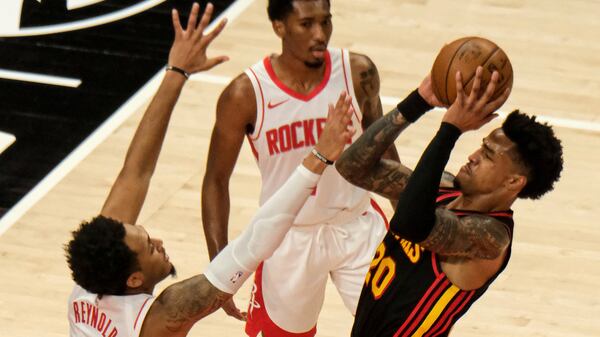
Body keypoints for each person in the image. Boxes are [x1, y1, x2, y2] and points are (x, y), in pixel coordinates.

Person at [65, 3, 356, 337]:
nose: (157, 241)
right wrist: (318, 157)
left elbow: (136, 171)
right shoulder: (163, 316)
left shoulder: (91, 279)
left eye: (146, 234)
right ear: (134, 279)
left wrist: (176, 72)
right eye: (148, 247)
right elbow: (254, 242)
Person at [201, 1, 398, 335]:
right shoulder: (246, 94)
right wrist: (223, 269)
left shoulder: (358, 72)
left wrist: (413, 224)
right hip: (288, 237)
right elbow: (216, 181)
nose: (320, 34)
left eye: (326, 22)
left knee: (402, 327)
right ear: (279, 26)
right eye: (306, 24)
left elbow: (384, 153)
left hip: (357, 226)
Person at [335, 67, 564, 336]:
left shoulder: (490, 239)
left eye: (488, 155)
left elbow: (410, 224)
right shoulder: (442, 188)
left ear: (513, 182)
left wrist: (450, 130)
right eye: (481, 145)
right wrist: (418, 102)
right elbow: (351, 167)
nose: (474, 155)